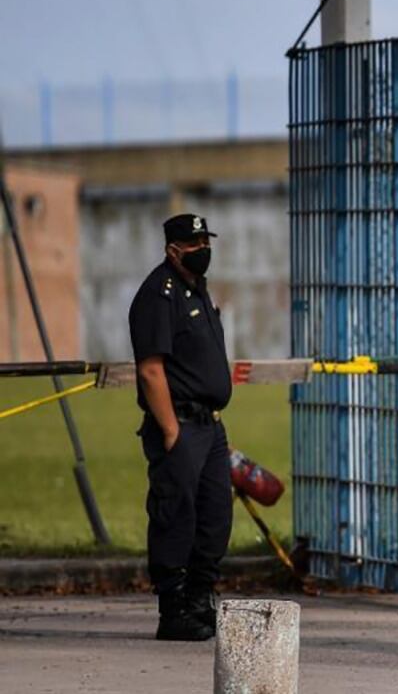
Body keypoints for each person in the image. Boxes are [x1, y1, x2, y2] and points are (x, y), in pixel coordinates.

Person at [128, 213, 233, 641]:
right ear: (173, 249)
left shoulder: (197, 290)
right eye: (194, 244)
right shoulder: (159, 295)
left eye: (205, 241)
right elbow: (152, 370)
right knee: (176, 515)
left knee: (214, 516)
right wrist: (170, 430)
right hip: (181, 425)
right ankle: (173, 611)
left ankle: (199, 601)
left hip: (209, 427)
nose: (203, 249)